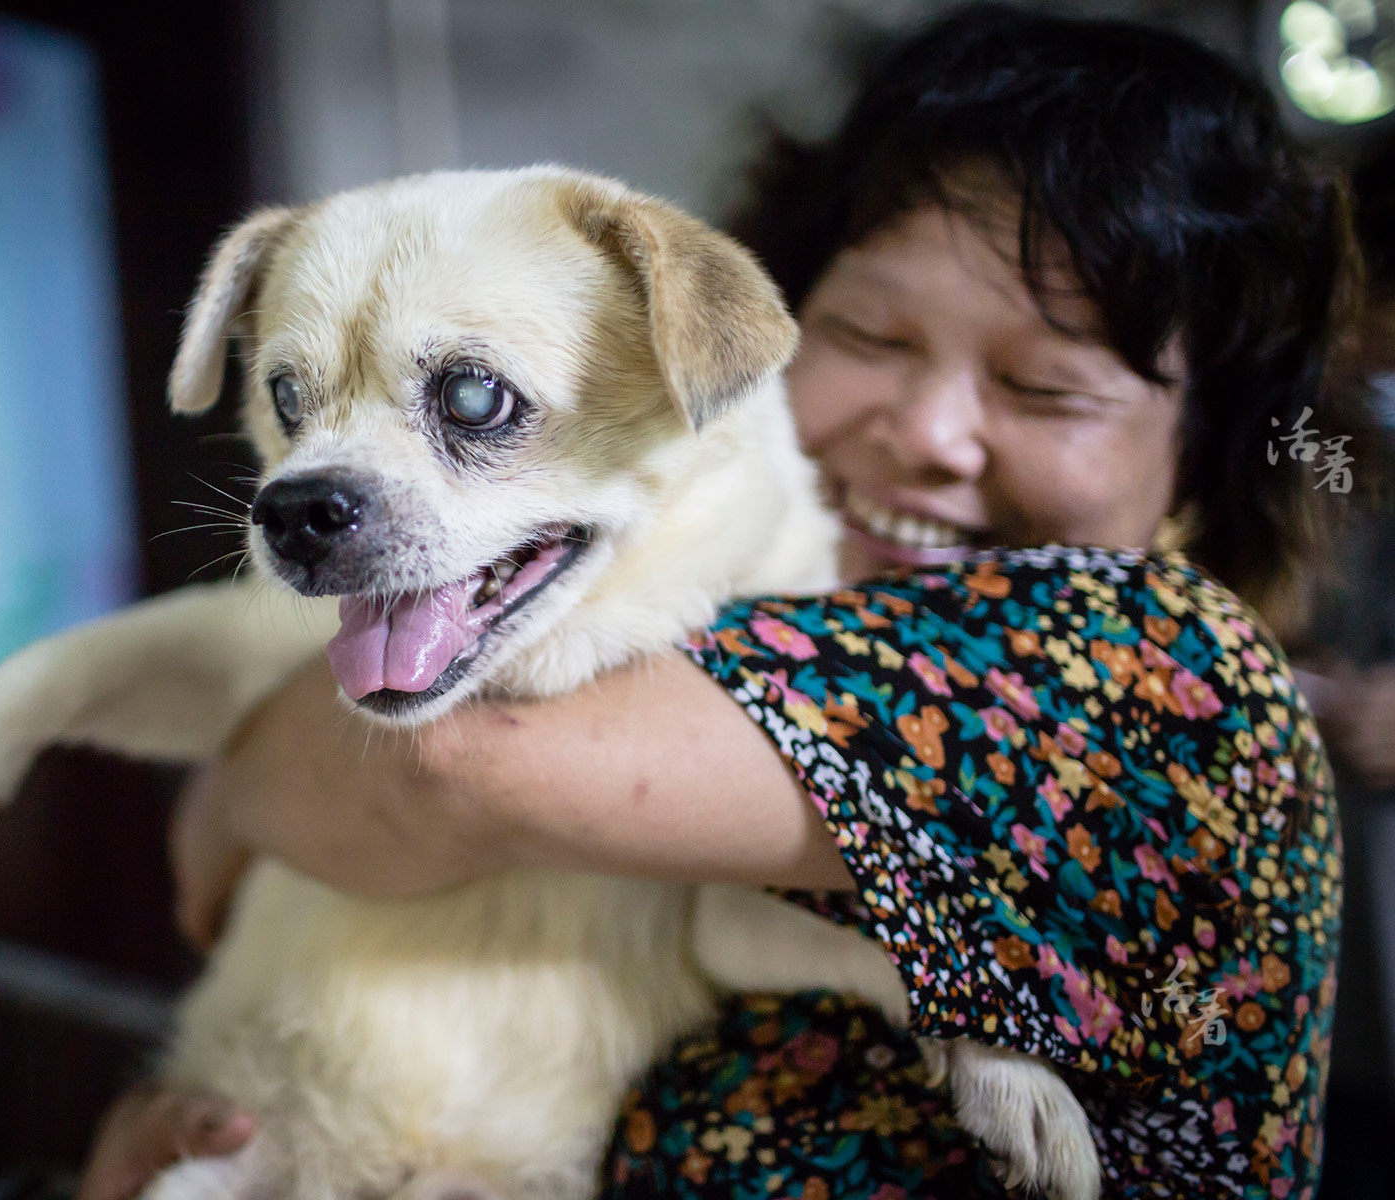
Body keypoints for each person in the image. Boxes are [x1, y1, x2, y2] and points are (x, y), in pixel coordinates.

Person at [77, 5, 1367, 1198]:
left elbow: (445, 766)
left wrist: (236, 782)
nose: (929, 432)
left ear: (1201, 458)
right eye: (869, 336)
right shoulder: (729, 658)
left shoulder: (1173, 680)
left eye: (1047, 390)